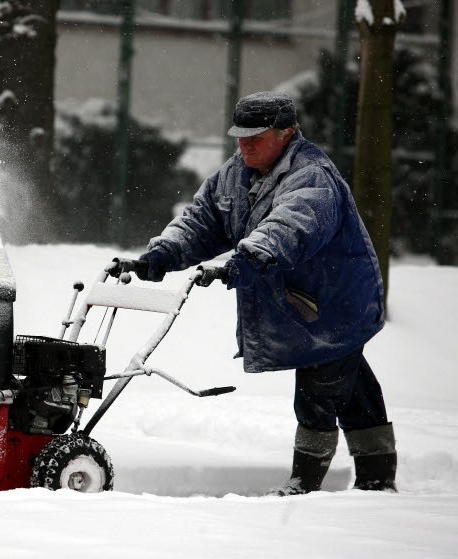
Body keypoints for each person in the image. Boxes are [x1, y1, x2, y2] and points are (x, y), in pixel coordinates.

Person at [111, 91, 397, 495]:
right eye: (240, 137)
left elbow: (289, 227)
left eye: (256, 137)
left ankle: (304, 486)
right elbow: (202, 220)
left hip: (335, 301)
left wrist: (246, 258)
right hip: (304, 302)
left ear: (287, 134)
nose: (245, 145)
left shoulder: (310, 176)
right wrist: (160, 255)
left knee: (319, 390)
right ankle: (377, 480)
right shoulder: (236, 173)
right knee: (352, 388)